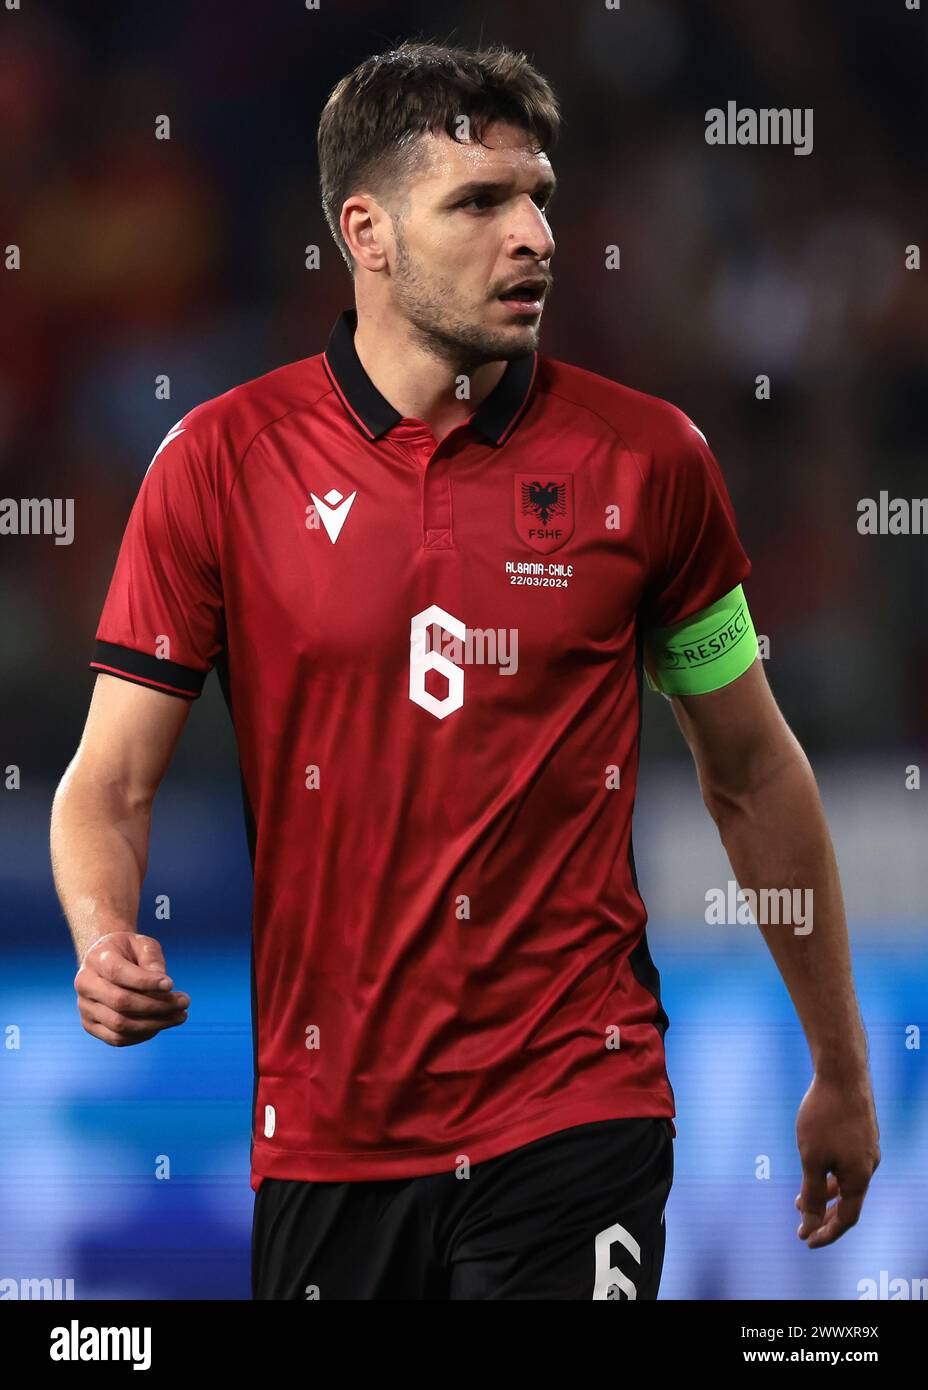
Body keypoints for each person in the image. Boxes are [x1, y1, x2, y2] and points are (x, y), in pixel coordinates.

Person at [51, 40, 879, 1300]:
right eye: (481, 203)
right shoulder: (218, 466)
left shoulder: (650, 464)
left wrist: (838, 1063)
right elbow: (106, 784)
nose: (534, 234)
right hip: (329, 1133)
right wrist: (105, 933)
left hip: (575, 1102)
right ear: (366, 232)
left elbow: (753, 771)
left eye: (539, 194)